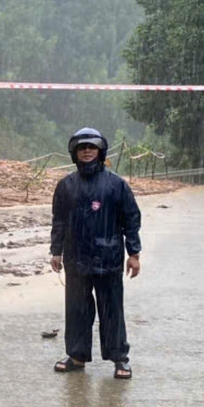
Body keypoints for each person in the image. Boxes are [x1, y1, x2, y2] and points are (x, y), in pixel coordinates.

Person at [49, 127, 142, 379]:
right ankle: (77, 356)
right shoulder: (66, 186)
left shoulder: (116, 185)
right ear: (74, 153)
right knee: (77, 309)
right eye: (82, 148)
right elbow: (59, 221)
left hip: (109, 258)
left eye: (92, 147)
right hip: (76, 259)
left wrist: (134, 254)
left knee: (112, 310)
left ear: (101, 151)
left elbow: (131, 219)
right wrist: (56, 251)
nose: (87, 151)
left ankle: (119, 358)